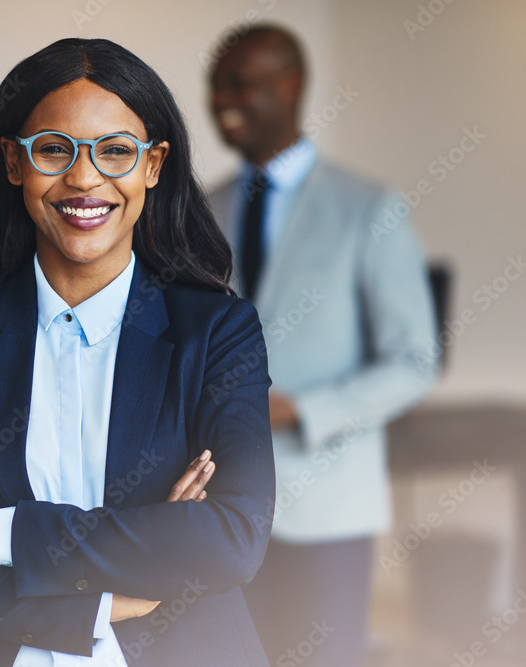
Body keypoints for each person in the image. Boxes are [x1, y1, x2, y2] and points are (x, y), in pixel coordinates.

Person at [0, 38, 275, 666]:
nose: (84, 179)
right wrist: (104, 591)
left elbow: (234, 538)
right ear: (13, 162)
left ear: (153, 164)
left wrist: (2, 531)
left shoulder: (219, 332)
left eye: (116, 151)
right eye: (54, 149)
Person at [205, 24, 437, 667]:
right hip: (222, 508)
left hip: (329, 505)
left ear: (290, 85)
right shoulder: (201, 212)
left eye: (239, 83)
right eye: (215, 85)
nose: (221, 98)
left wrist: (302, 409)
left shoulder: (370, 209)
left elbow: (416, 360)